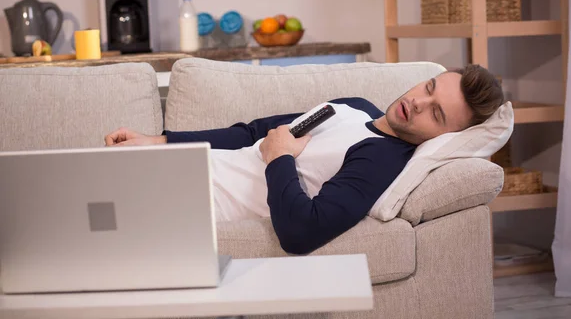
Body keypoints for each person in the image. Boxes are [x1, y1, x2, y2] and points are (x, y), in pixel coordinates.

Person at [105, 64, 504, 254]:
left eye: (435, 113)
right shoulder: (356, 107)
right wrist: (158, 140)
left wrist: (279, 159)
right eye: (429, 88)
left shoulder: (381, 161)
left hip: (186, 204)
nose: (416, 102)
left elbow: (302, 232)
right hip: (170, 171)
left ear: (446, 136)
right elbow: (252, 132)